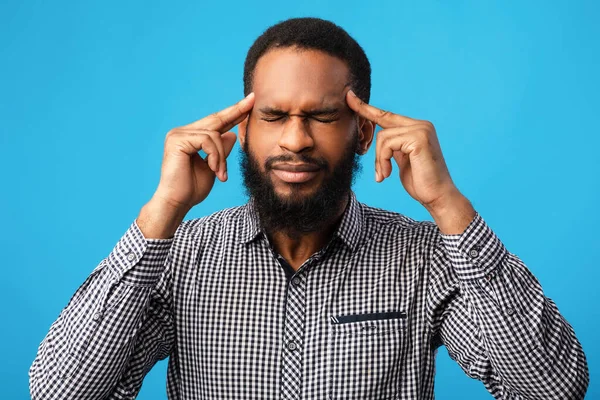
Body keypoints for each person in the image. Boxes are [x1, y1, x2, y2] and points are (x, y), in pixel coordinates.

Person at [30, 17, 588, 400]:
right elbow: (63, 389)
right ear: (240, 130)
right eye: (273, 116)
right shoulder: (181, 257)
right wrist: (163, 212)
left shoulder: (423, 259)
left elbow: (553, 386)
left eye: (321, 117)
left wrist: (448, 204)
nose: (295, 141)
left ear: (364, 133)